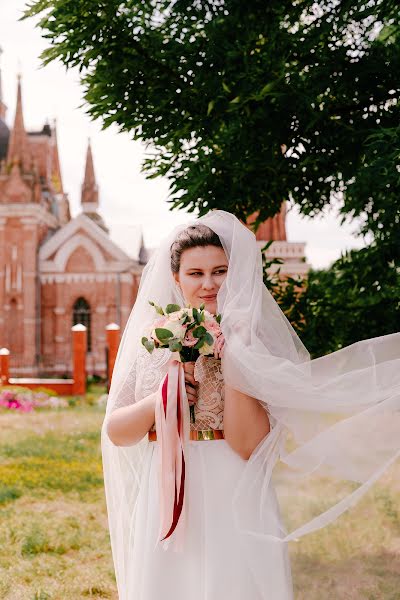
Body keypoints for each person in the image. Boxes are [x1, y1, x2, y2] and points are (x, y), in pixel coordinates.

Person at [101, 210, 400, 600]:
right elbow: (117, 433)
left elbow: (248, 444)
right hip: (169, 487)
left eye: (220, 271)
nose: (209, 284)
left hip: (231, 484)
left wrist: (235, 355)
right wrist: (161, 401)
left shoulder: (254, 342)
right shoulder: (154, 337)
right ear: (176, 278)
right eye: (196, 273)